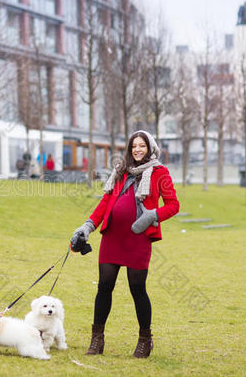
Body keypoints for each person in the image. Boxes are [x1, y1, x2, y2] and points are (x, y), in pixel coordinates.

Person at [70, 130, 179, 358]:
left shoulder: (159, 172)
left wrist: (152, 215)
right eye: (134, 146)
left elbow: (173, 205)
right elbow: (105, 201)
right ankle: (97, 339)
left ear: (150, 148)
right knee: (104, 287)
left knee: (137, 289)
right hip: (112, 237)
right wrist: (87, 226)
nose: (137, 150)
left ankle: (144, 340)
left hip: (138, 238)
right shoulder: (121, 171)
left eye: (142, 146)